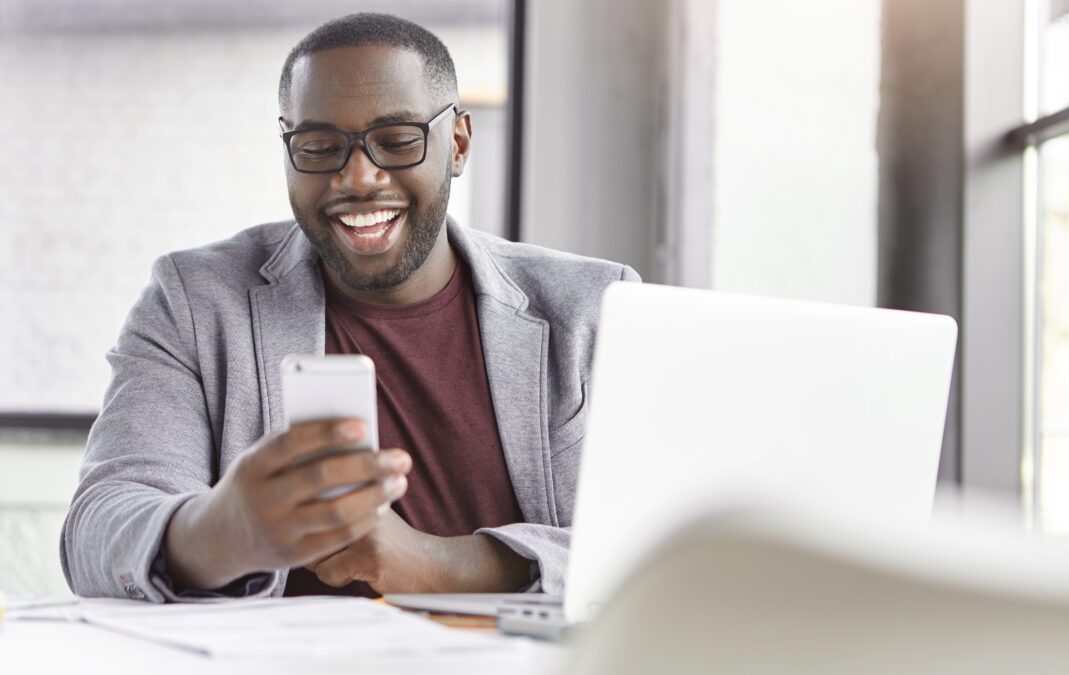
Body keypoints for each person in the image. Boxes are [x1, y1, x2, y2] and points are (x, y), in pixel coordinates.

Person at [61, 12, 639, 602]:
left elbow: (663, 544)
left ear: (458, 144)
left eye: (398, 141)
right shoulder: (194, 302)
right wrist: (224, 531)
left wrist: (435, 564)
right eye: (319, 147)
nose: (359, 178)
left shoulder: (597, 309)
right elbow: (96, 533)